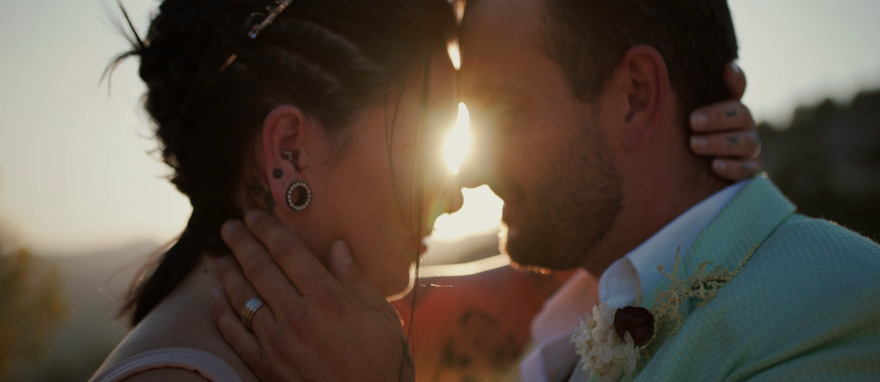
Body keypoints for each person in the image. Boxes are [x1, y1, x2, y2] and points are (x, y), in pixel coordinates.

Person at [211, 0, 880, 381]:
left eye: (502, 111)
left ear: (634, 98)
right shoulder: (568, 304)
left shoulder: (840, 314)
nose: (470, 175)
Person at [91, 0, 758, 381]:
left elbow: (567, 285)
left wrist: (687, 172)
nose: (457, 191)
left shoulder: (334, 333)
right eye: (424, 135)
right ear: (289, 152)